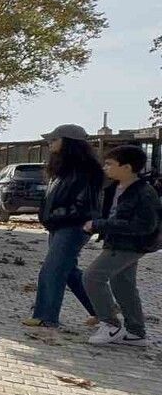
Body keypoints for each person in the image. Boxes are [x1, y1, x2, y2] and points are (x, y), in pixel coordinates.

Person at [24, 124, 103, 328]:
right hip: (59, 226)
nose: (50, 143)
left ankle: (45, 316)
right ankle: (104, 311)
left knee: (52, 270)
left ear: (68, 143)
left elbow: (83, 206)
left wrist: (57, 216)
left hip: (73, 227)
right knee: (68, 271)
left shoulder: (85, 170)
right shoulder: (61, 168)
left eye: (54, 139)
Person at [84, 145, 161, 346]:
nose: (105, 168)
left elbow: (144, 225)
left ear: (127, 167)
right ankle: (136, 333)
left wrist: (99, 225)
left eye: (110, 164)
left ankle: (110, 325)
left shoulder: (144, 192)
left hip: (129, 245)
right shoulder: (115, 187)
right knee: (123, 285)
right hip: (117, 242)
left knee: (93, 276)